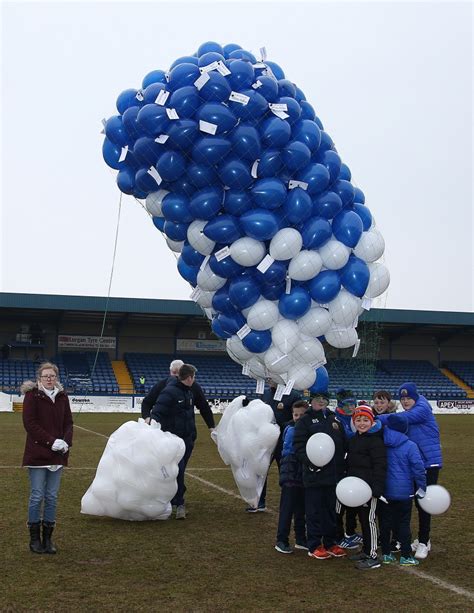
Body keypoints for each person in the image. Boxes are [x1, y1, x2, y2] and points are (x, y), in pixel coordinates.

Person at [21, 361, 73, 554]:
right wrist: (51, 441)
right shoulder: (31, 396)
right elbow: (30, 424)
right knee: (37, 496)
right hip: (38, 454)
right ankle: (34, 539)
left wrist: (66, 441)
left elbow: (69, 422)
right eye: (46, 376)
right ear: (39, 378)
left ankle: (48, 539)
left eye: (52, 376)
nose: (49, 379)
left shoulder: (62, 397)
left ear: (56, 377)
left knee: (51, 497)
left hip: (57, 455)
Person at [387, 383, 443, 560]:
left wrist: (375, 418)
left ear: (415, 397)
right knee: (407, 501)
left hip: (428, 464)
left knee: (423, 503)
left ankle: (424, 541)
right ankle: (406, 539)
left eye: (408, 398)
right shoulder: (410, 412)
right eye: (402, 399)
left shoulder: (422, 408)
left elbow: (402, 419)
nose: (405, 401)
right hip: (412, 464)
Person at [293, 392, 347, 560]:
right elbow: (299, 446)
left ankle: (331, 543)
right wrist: (310, 463)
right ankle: (315, 544)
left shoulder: (334, 419)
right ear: (312, 402)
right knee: (314, 511)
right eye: (318, 399)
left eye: (324, 399)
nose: (321, 402)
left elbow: (342, 443)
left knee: (330, 510)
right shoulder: (305, 421)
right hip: (314, 475)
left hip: (332, 475)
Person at [150, 363, 197, 520]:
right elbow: (157, 411)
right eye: (194, 377)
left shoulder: (189, 393)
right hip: (172, 441)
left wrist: (192, 435)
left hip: (186, 439)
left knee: (178, 472)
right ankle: (178, 504)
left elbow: (190, 416)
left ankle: (175, 502)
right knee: (177, 471)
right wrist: (152, 426)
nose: (194, 380)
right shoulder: (169, 392)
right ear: (189, 378)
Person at [246, 380, 302, 513]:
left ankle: (291, 503)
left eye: (273, 375)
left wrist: (279, 425)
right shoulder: (264, 394)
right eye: (268, 376)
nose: (270, 379)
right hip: (266, 443)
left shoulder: (293, 395)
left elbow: (298, 419)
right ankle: (258, 502)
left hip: (284, 442)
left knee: (287, 473)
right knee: (260, 471)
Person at [345, 405, 386, 570]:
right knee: (362, 519)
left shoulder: (376, 441)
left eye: (365, 420)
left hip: (370, 489)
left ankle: (373, 556)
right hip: (357, 489)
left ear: (372, 421)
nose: (362, 423)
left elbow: (380, 466)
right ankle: (366, 550)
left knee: (369, 520)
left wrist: (377, 488)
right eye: (358, 420)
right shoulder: (354, 440)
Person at [379, 424, 427, 566]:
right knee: (403, 523)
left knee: (385, 522)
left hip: (386, 490)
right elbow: (418, 468)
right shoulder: (410, 445)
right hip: (404, 492)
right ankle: (406, 555)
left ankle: (386, 553)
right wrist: (421, 487)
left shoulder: (382, 442)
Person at [141, 359, 215, 431]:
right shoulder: (161, 385)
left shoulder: (194, 386)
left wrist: (211, 426)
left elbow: (204, 407)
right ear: (170, 372)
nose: (176, 376)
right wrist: (147, 417)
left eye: (179, 373)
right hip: (165, 432)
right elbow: (147, 402)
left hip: (186, 432)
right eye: (174, 372)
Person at [274, 399, 308, 554]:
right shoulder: (292, 430)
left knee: (301, 508)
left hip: (302, 474)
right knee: (287, 508)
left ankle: (301, 538)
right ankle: (281, 540)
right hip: (291, 473)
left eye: (302, 414)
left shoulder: (305, 429)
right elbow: (293, 451)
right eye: (296, 415)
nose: (298, 417)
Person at [333, 389, 361, 550]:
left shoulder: (355, 418)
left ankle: (350, 532)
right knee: (339, 504)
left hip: (354, 466)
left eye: (353, 404)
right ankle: (338, 536)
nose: (351, 407)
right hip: (340, 467)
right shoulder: (336, 420)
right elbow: (347, 438)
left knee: (353, 501)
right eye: (348, 404)